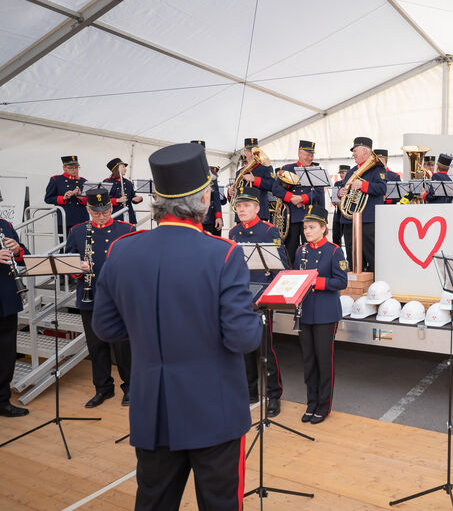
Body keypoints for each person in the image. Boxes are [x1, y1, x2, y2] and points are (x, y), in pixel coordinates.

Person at [92, 143, 262, 511]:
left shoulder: (122, 249)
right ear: (203, 198)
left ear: (157, 199)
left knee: (153, 502)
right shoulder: (224, 253)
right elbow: (243, 337)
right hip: (213, 409)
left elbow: (105, 328)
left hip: (152, 406)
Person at [66, 187, 134, 407]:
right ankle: (103, 388)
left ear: (111, 207)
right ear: (88, 209)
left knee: (124, 346)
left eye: (105, 211)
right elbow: (68, 262)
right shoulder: (77, 231)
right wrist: (79, 268)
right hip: (90, 296)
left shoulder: (127, 228)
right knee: (96, 347)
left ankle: (130, 386)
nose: (102, 216)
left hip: (119, 298)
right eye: (96, 212)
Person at [229, 186, 288, 416]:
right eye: (239, 206)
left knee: (266, 350)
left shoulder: (269, 231)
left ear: (257, 208)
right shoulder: (234, 232)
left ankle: (274, 394)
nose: (242, 210)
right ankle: (251, 391)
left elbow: (279, 266)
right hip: (241, 297)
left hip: (262, 298)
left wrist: (269, 297)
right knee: (244, 348)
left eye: (246, 206)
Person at [294, 206, 348, 424]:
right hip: (305, 312)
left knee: (323, 361)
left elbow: (341, 281)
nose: (307, 231)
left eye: (312, 227)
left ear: (323, 228)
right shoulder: (300, 251)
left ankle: (323, 407)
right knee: (308, 362)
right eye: (305, 228)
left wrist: (317, 281)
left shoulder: (335, 251)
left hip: (326, 313)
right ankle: (311, 403)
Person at [338, 137, 386, 272]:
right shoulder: (352, 171)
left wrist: (363, 185)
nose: (353, 154)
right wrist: (341, 192)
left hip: (367, 219)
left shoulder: (377, 169)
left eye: (355, 151)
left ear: (365, 151)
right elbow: (344, 188)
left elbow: (382, 188)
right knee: (352, 255)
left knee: (371, 255)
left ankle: (374, 285)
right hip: (349, 220)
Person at [272, 140, 325, 262]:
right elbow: (275, 188)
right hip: (292, 216)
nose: (310, 157)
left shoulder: (316, 171)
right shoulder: (287, 169)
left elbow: (318, 193)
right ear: (299, 154)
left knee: (311, 248)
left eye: (312, 155)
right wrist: (291, 197)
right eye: (307, 154)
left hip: (310, 215)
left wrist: (302, 198)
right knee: (290, 248)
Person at [0, 204, 29, 418]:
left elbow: (24, 257)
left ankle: (2, 401)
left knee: (7, 354)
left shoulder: (6, 226)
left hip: (7, 299)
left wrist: (17, 249)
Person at [228, 137, 275, 223]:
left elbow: (272, 185)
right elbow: (235, 196)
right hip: (241, 215)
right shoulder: (239, 172)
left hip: (259, 213)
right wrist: (231, 192)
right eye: (250, 151)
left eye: (255, 151)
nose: (253, 153)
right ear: (245, 152)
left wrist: (255, 180)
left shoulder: (266, 168)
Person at [44, 155, 88, 236]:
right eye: (71, 168)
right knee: (65, 245)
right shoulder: (56, 180)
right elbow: (48, 198)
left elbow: (88, 201)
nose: (74, 170)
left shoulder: (83, 181)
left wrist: (80, 197)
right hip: (64, 219)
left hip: (81, 218)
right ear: (64, 168)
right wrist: (63, 198)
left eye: (76, 167)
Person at [189, 141, 224, 236]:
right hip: (190, 217)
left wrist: (218, 217)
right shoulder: (185, 171)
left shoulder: (211, 172)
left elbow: (216, 196)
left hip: (208, 217)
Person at [104, 158, 143, 225]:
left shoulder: (128, 182)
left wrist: (138, 199)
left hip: (129, 216)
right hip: (115, 216)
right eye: (123, 167)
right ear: (116, 168)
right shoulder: (107, 182)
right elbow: (103, 201)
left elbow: (132, 197)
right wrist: (117, 200)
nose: (125, 169)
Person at [332, 164, 350, 246]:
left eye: (343, 173)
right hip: (338, 212)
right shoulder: (337, 183)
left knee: (348, 236)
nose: (341, 175)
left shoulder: (351, 183)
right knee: (336, 235)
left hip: (347, 211)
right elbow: (334, 197)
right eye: (340, 173)